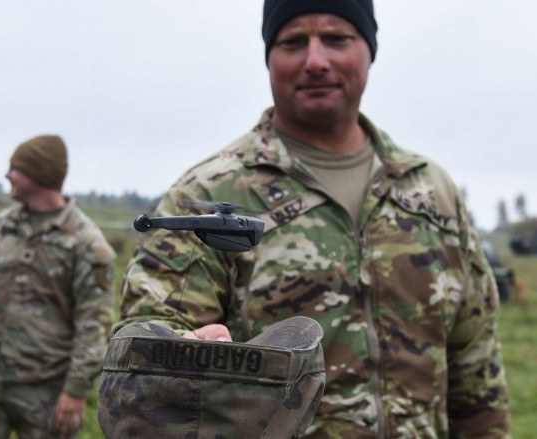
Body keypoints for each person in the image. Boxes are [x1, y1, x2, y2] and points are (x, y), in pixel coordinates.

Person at [115, 0, 510, 437]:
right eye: (293, 42)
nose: (315, 61)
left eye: (338, 39)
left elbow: (475, 360)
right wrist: (174, 354)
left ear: (369, 50)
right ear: (269, 57)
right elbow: (145, 348)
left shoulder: (434, 192)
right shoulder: (207, 195)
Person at [0, 134, 116, 439]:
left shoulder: (86, 243)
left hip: (48, 391)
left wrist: (76, 392)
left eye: (15, 168)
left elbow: (94, 325)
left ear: (39, 174)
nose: (7, 175)